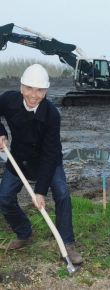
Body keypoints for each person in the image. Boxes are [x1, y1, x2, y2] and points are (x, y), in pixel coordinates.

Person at [0, 64, 83, 264]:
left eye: (39, 90)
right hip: (19, 157)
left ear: (45, 92)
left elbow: (49, 154)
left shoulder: (52, 115)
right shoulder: (8, 99)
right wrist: (1, 132)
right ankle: (24, 234)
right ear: (21, 88)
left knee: (62, 195)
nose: (33, 94)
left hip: (47, 161)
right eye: (29, 88)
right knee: (4, 197)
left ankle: (68, 244)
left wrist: (40, 191)